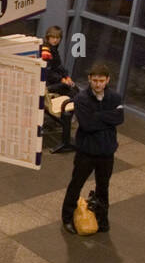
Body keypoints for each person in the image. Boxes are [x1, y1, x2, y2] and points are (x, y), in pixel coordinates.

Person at [60, 63, 124, 235]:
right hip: (86, 152)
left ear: (107, 80)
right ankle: (67, 218)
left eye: (101, 81)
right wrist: (107, 118)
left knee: (103, 187)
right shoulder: (81, 99)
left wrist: (98, 116)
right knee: (76, 185)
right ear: (89, 79)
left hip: (106, 152)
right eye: (95, 80)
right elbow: (87, 125)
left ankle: (103, 218)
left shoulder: (114, 98)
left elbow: (119, 118)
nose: (98, 84)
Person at [42, 25, 76, 154]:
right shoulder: (46, 51)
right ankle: (67, 118)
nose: (55, 40)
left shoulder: (53, 49)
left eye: (58, 38)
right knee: (72, 91)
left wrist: (66, 76)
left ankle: (67, 118)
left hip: (52, 81)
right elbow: (48, 71)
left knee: (72, 88)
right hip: (48, 84)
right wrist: (62, 80)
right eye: (53, 37)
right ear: (48, 37)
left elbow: (59, 66)